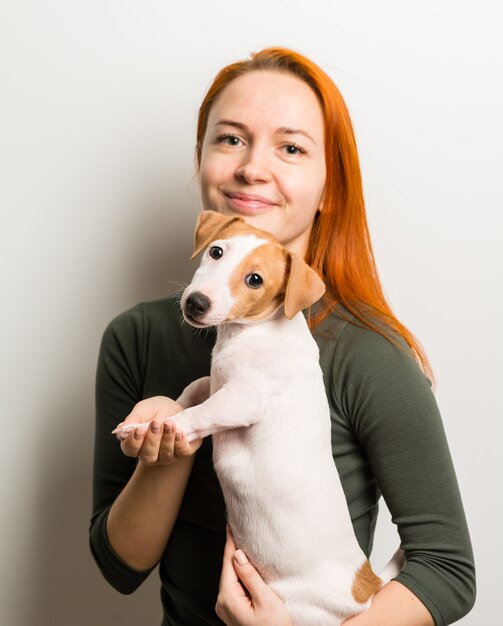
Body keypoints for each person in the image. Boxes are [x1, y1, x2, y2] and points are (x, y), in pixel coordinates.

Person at [90, 48, 475, 626]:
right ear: (199, 160)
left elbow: (447, 570)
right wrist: (167, 439)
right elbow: (122, 565)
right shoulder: (136, 336)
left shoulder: (368, 353)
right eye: (230, 139)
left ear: (330, 190)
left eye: (290, 147)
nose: (251, 168)